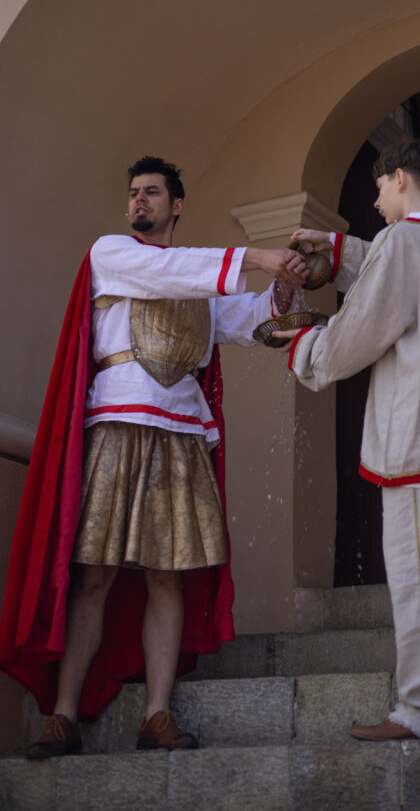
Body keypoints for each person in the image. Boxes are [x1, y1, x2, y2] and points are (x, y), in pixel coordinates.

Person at [0, 156, 307, 757]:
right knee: (95, 575)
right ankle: (62, 717)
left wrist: (287, 283)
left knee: (167, 577)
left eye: (152, 192)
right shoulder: (112, 253)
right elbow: (168, 271)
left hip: (181, 435)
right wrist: (256, 257)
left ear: (177, 205)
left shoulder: (198, 282)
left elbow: (258, 322)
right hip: (117, 425)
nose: (139, 200)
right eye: (134, 193)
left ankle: (157, 715)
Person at [275, 139, 420, 741]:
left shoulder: (403, 242)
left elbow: (361, 328)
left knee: (417, 581)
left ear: (400, 178)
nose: (376, 199)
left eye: (380, 186)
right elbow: (391, 271)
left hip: (413, 436)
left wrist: (305, 349)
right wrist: (338, 251)